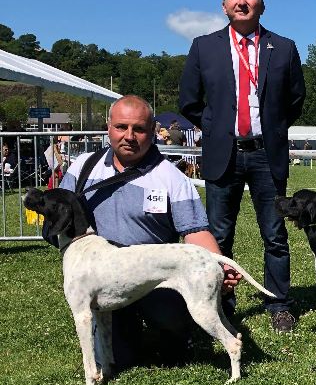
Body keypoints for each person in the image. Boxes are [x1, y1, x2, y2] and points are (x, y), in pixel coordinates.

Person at [58, 95, 241, 368]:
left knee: (173, 340)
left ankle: (177, 331)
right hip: (104, 280)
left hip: (153, 276)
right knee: (121, 359)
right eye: (121, 127)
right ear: (108, 127)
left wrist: (219, 268)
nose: (129, 136)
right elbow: (58, 220)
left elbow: (195, 231)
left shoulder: (172, 177)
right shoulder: (82, 167)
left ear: (153, 130)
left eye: (139, 129)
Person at [179, 0, 306, 332]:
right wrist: (218, 125)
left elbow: (295, 98)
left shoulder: (283, 47)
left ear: (261, 3)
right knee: (219, 235)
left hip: (268, 153)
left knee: (275, 234)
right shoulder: (204, 47)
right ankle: (222, 302)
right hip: (224, 153)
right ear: (224, 5)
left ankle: (279, 303)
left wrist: (274, 126)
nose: (242, 1)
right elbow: (189, 101)